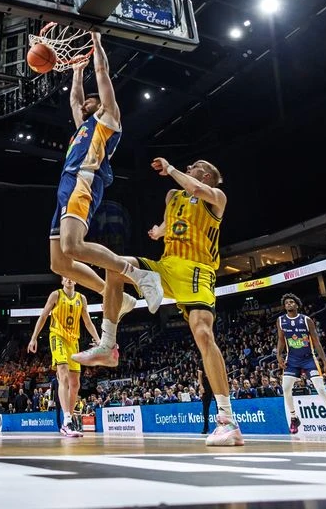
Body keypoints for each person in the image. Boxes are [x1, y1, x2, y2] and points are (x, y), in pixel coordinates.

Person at [76, 157, 242, 447]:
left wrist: (173, 170)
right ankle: (108, 345)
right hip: (166, 267)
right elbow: (172, 221)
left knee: (203, 335)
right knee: (115, 267)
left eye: (193, 166)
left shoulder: (217, 197)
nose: (188, 167)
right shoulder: (173, 196)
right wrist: (159, 231)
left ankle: (228, 421)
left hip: (197, 271)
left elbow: (195, 189)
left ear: (204, 174)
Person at [47, 34, 162, 313]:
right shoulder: (82, 128)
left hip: (84, 180)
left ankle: (141, 276)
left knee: (73, 246)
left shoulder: (108, 119)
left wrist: (97, 43)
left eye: (91, 100)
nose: (86, 101)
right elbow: (74, 102)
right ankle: (118, 298)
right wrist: (76, 71)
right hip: (67, 184)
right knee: (59, 263)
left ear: (101, 105)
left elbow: (102, 72)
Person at [28, 277, 100, 437]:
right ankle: (67, 419)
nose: (69, 278)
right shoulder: (56, 295)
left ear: (76, 280)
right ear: (62, 281)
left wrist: (98, 340)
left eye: (72, 276)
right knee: (63, 376)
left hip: (73, 340)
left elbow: (88, 322)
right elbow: (44, 316)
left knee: (75, 383)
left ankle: (69, 418)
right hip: (57, 336)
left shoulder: (81, 299)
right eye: (65, 276)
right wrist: (34, 338)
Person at [276, 294, 326, 438]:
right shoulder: (281, 320)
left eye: (291, 302)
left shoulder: (306, 320)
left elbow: (316, 342)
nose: (289, 304)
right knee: (285, 388)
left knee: (321, 390)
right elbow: (281, 339)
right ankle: (294, 418)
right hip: (292, 359)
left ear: (297, 304)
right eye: (286, 303)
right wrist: (278, 355)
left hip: (309, 359)